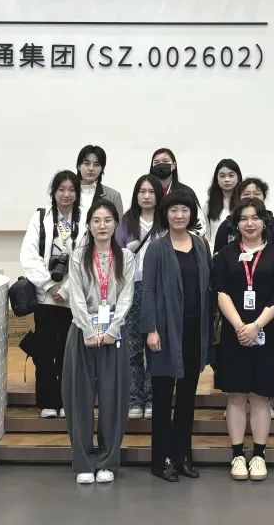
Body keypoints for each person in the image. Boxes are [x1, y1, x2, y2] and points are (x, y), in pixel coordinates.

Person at [212, 198, 274, 481]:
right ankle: (236, 455)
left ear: (264, 222)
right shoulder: (225, 255)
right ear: (236, 223)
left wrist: (255, 326)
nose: (250, 223)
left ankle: (258, 455)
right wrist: (240, 326)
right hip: (234, 334)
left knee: (260, 395)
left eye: (255, 217)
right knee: (235, 395)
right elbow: (220, 292)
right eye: (244, 218)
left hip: (264, 333)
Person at [141, 190, 213, 482]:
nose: (179, 215)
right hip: (165, 332)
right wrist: (150, 329)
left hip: (194, 331)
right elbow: (147, 290)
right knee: (162, 400)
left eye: (184, 210)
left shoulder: (201, 245)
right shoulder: (156, 248)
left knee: (186, 399)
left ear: (191, 213)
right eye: (173, 210)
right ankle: (161, 460)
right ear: (166, 214)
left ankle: (183, 456)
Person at [62, 200, 136, 484]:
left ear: (116, 224)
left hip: (114, 335)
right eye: (96, 220)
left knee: (113, 398)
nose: (102, 226)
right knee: (79, 397)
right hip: (82, 333)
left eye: (107, 220)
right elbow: (76, 296)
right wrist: (88, 330)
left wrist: (113, 329)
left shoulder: (125, 257)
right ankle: (83, 460)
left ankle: (107, 461)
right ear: (89, 225)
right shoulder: (79, 256)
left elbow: (126, 296)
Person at [19, 170, 82, 419]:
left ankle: (65, 400)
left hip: (72, 297)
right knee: (45, 351)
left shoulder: (84, 219)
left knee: (68, 352)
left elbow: (85, 257)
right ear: (53, 192)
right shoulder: (41, 217)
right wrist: (49, 285)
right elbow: (29, 254)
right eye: (61, 189)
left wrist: (66, 289)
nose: (66, 194)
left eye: (71, 190)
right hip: (45, 296)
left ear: (77, 193)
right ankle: (47, 401)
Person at [114, 173, 165, 420]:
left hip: (159, 291)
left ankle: (153, 397)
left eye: (151, 192)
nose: (146, 196)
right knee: (132, 347)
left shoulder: (166, 221)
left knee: (155, 346)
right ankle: (135, 398)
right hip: (131, 290)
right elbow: (115, 256)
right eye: (142, 191)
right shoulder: (126, 222)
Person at [213, 178, 274, 269]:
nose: (252, 197)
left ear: (264, 197)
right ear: (239, 198)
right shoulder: (227, 224)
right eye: (246, 194)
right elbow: (218, 258)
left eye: (257, 194)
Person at [76, 144, 124, 216]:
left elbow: (119, 222)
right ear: (79, 166)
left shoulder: (113, 196)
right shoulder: (69, 193)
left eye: (96, 165)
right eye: (87, 163)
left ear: (102, 168)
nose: (91, 168)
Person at [205, 158, 243, 247]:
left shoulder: (245, 203)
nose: (226, 179)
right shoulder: (209, 206)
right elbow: (206, 236)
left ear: (238, 177)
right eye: (222, 176)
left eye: (231, 175)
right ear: (217, 179)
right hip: (216, 252)